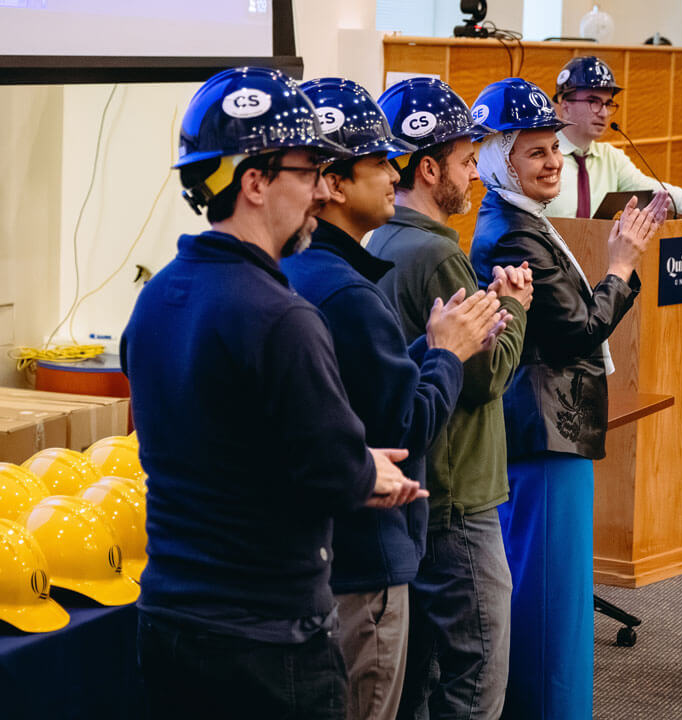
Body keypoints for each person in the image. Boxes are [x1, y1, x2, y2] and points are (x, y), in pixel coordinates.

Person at [122, 66, 427, 720]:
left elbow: (217, 448)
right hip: (268, 637)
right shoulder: (279, 317)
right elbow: (328, 473)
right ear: (253, 181)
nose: (321, 192)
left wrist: (348, 462)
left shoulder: (157, 299)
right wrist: (364, 469)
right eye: (308, 171)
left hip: (169, 623)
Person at [281, 77, 504, 720]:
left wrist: (424, 352)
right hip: (362, 561)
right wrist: (447, 353)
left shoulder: (291, 274)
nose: (392, 174)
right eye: (378, 161)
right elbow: (405, 430)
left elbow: (355, 399)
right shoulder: (348, 293)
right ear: (331, 182)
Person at [467, 77, 666, 720]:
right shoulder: (513, 233)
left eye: (553, 147)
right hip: (542, 431)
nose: (552, 161)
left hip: (549, 426)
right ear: (501, 161)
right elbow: (579, 328)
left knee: (555, 596)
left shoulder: (522, 218)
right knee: (550, 602)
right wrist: (622, 266)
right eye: (535, 152)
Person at [369, 76, 533, 720]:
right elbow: (483, 377)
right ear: (428, 167)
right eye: (467, 162)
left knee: (419, 671)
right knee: (477, 670)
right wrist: (515, 308)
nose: (475, 176)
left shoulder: (379, 239)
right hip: (458, 490)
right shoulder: (437, 252)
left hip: (411, 482)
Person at [546, 55, 682, 220]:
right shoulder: (545, 157)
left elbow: (657, 190)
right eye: (593, 101)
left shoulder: (611, 158)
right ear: (565, 105)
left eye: (608, 103)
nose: (603, 113)